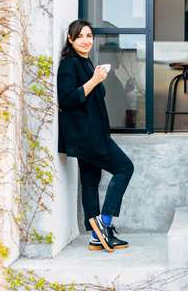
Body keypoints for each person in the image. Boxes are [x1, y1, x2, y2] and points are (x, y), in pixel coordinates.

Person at [57, 19, 134, 252]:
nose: (86, 40)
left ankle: (95, 237)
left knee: (90, 181)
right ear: (70, 39)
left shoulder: (86, 62)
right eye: (80, 36)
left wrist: (96, 78)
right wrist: (95, 80)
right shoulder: (69, 64)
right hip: (88, 136)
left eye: (89, 36)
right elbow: (68, 99)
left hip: (91, 134)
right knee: (124, 168)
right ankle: (105, 222)